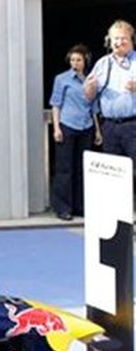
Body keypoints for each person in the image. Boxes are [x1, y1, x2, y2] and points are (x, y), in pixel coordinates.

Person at [49, 44, 101, 220]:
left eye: (78, 60)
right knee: (65, 168)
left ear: (85, 61)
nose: (75, 63)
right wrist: (56, 128)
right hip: (68, 124)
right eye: (72, 60)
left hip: (85, 126)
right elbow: (56, 104)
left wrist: (97, 131)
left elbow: (93, 108)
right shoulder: (62, 79)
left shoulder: (90, 80)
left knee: (82, 168)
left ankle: (80, 205)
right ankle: (63, 207)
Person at [85, 20, 136, 163]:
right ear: (109, 41)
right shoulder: (102, 63)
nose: (119, 42)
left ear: (132, 40)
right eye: (115, 38)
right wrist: (90, 87)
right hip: (109, 127)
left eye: (123, 38)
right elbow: (89, 97)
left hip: (133, 125)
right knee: (113, 169)